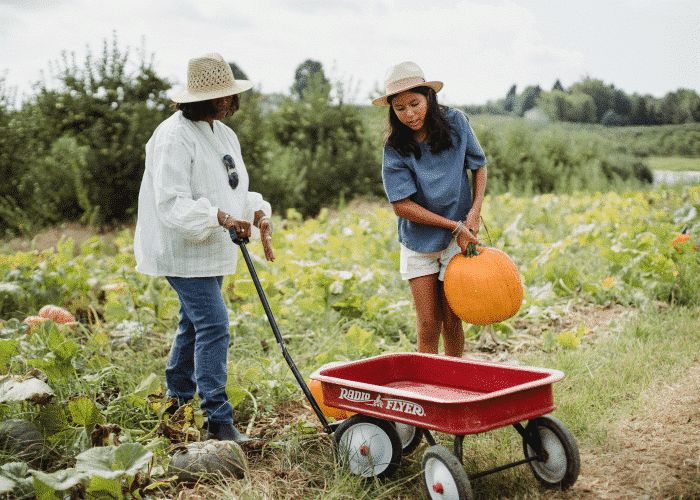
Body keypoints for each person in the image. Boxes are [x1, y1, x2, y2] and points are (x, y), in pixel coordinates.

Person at [134, 53, 274, 444]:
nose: (232, 102)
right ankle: (218, 420)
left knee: (193, 324)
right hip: (179, 246)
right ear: (203, 98)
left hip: (211, 246)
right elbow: (171, 202)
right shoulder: (172, 136)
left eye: (232, 95)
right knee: (214, 323)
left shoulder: (223, 134)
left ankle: (176, 403)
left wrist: (256, 211)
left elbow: (233, 189)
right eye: (223, 96)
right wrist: (221, 218)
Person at [373, 61, 487, 357]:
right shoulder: (395, 146)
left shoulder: (456, 123)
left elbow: (479, 166)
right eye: (399, 108)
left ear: (428, 97)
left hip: (458, 237)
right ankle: (429, 395)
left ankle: (452, 389)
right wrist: (454, 226)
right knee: (428, 325)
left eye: (415, 103)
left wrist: (473, 216)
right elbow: (401, 206)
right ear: (391, 110)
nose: (409, 114)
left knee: (452, 321)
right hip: (419, 240)